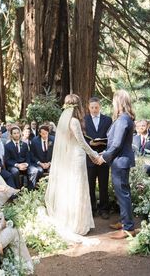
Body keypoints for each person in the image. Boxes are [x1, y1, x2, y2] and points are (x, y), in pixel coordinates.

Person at [45, 94, 100, 237]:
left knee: (70, 187)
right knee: (78, 188)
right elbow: (82, 142)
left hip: (69, 157)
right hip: (77, 157)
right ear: (78, 106)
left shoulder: (64, 120)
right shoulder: (74, 121)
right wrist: (95, 155)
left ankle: (69, 220)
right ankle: (78, 224)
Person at [97, 90, 136, 239]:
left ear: (120, 102)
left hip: (120, 161)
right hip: (119, 160)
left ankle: (128, 228)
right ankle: (124, 220)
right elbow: (114, 143)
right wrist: (104, 153)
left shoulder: (123, 120)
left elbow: (117, 144)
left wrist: (104, 157)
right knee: (122, 193)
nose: (113, 104)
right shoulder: (123, 119)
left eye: (114, 102)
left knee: (123, 193)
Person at [84, 97, 112, 219]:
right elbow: (82, 137)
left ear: (99, 107)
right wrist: (90, 145)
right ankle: (92, 209)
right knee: (90, 184)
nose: (94, 110)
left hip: (103, 156)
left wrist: (104, 148)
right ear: (88, 108)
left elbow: (111, 137)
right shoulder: (84, 120)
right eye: (92, 107)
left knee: (103, 184)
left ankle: (104, 209)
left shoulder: (107, 120)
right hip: (90, 156)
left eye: (96, 107)